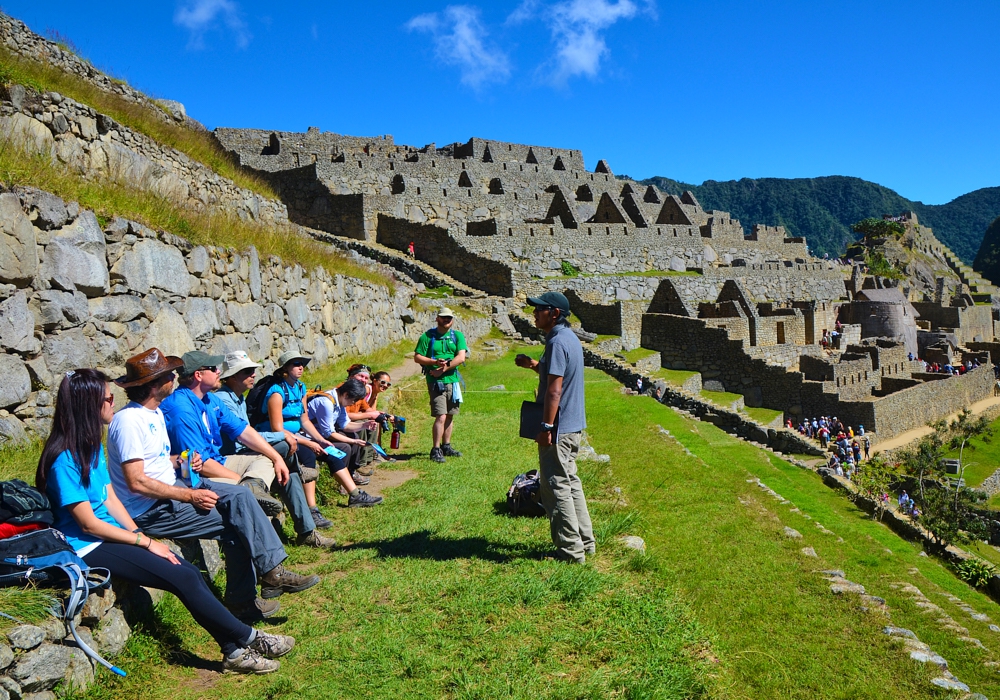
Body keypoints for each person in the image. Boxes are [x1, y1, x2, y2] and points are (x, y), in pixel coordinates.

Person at [37, 368, 294, 674]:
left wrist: (135, 532)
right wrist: (145, 542)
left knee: (184, 570)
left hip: (113, 533)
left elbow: (110, 499)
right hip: (87, 545)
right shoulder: (64, 458)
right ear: (88, 404)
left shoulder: (89, 446)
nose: (112, 401)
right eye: (106, 397)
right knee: (183, 576)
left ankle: (235, 650)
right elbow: (88, 524)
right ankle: (248, 639)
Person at [106, 348, 320, 622]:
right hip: (153, 508)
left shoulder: (153, 413)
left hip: (176, 490)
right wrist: (189, 495)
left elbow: (155, 462)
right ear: (155, 384)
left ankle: (269, 575)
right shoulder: (129, 421)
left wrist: (182, 460)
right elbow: (136, 481)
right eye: (169, 374)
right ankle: (253, 592)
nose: (175, 377)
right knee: (236, 524)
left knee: (241, 498)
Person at [216, 351, 336, 548]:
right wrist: (283, 435)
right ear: (232, 376)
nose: (253, 375)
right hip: (235, 454)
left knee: (288, 473)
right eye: (247, 371)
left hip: (244, 450)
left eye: (253, 370)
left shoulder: (238, 398)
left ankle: (306, 531)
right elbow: (245, 437)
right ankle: (306, 529)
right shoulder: (224, 400)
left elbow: (251, 433)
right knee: (284, 447)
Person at [516, 291, 595, 564]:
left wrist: (547, 427)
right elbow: (556, 373)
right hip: (573, 426)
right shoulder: (568, 339)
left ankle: (571, 552)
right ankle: (586, 542)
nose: (534, 313)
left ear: (555, 314)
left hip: (559, 429)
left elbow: (554, 390)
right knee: (571, 484)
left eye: (540, 309)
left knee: (556, 486)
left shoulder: (558, 342)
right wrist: (535, 366)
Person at [160, 351, 285, 517]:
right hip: (195, 476)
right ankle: (253, 498)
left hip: (218, 460)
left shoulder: (210, 399)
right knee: (244, 494)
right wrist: (238, 479)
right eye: (213, 368)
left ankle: (253, 487)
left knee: (266, 458)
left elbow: (243, 431)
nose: (219, 371)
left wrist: (277, 458)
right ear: (198, 375)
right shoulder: (181, 410)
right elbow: (199, 463)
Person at [259, 351, 381, 509]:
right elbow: (277, 428)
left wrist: (320, 440)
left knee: (329, 451)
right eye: (296, 364)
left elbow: (304, 420)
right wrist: (310, 443)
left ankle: (355, 495)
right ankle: (312, 509)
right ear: (286, 368)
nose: (301, 367)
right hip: (279, 437)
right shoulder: (277, 392)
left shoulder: (300, 387)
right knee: (310, 455)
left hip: (298, 435)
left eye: (302, 364)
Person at [414, 307, 467, 463]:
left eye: (449, 318)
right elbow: (417, 357)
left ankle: (446, 446)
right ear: (437, 318)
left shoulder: (457, 336)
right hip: (435, 382)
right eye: (443, 317)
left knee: (450, 414)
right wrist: (433, 363)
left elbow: (461, 357)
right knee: (441, 415)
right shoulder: (427, 337)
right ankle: (435, 449)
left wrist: (443, 367)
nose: (446, 320)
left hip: (453, 380)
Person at [307, 379, 380, 484]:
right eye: (353, 400)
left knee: (354, 436)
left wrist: (364, 425)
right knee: (345, 447)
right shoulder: (326, 403)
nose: (353, 403)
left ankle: (350, 474)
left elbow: (345, 424)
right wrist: (353, 441)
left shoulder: (339, 401)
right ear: (346, 395)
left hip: (321, 433)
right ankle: (341, 482)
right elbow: (329, 433)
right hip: (310, 436)